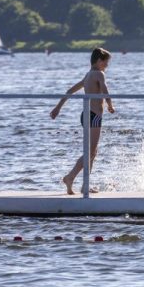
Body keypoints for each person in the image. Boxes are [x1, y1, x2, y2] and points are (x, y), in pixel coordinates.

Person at [50, 47, 115, 195]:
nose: (107, 66)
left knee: (93, 152)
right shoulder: (99, 74)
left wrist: (57, 108)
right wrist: (110, 105)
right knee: (90, 152)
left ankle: (85, 184)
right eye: (106, 63)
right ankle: (70, 177)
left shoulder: (88, 75)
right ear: (99, 61)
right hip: (94, 116)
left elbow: (70, 91)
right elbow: (105, 90)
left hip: (86, 114)